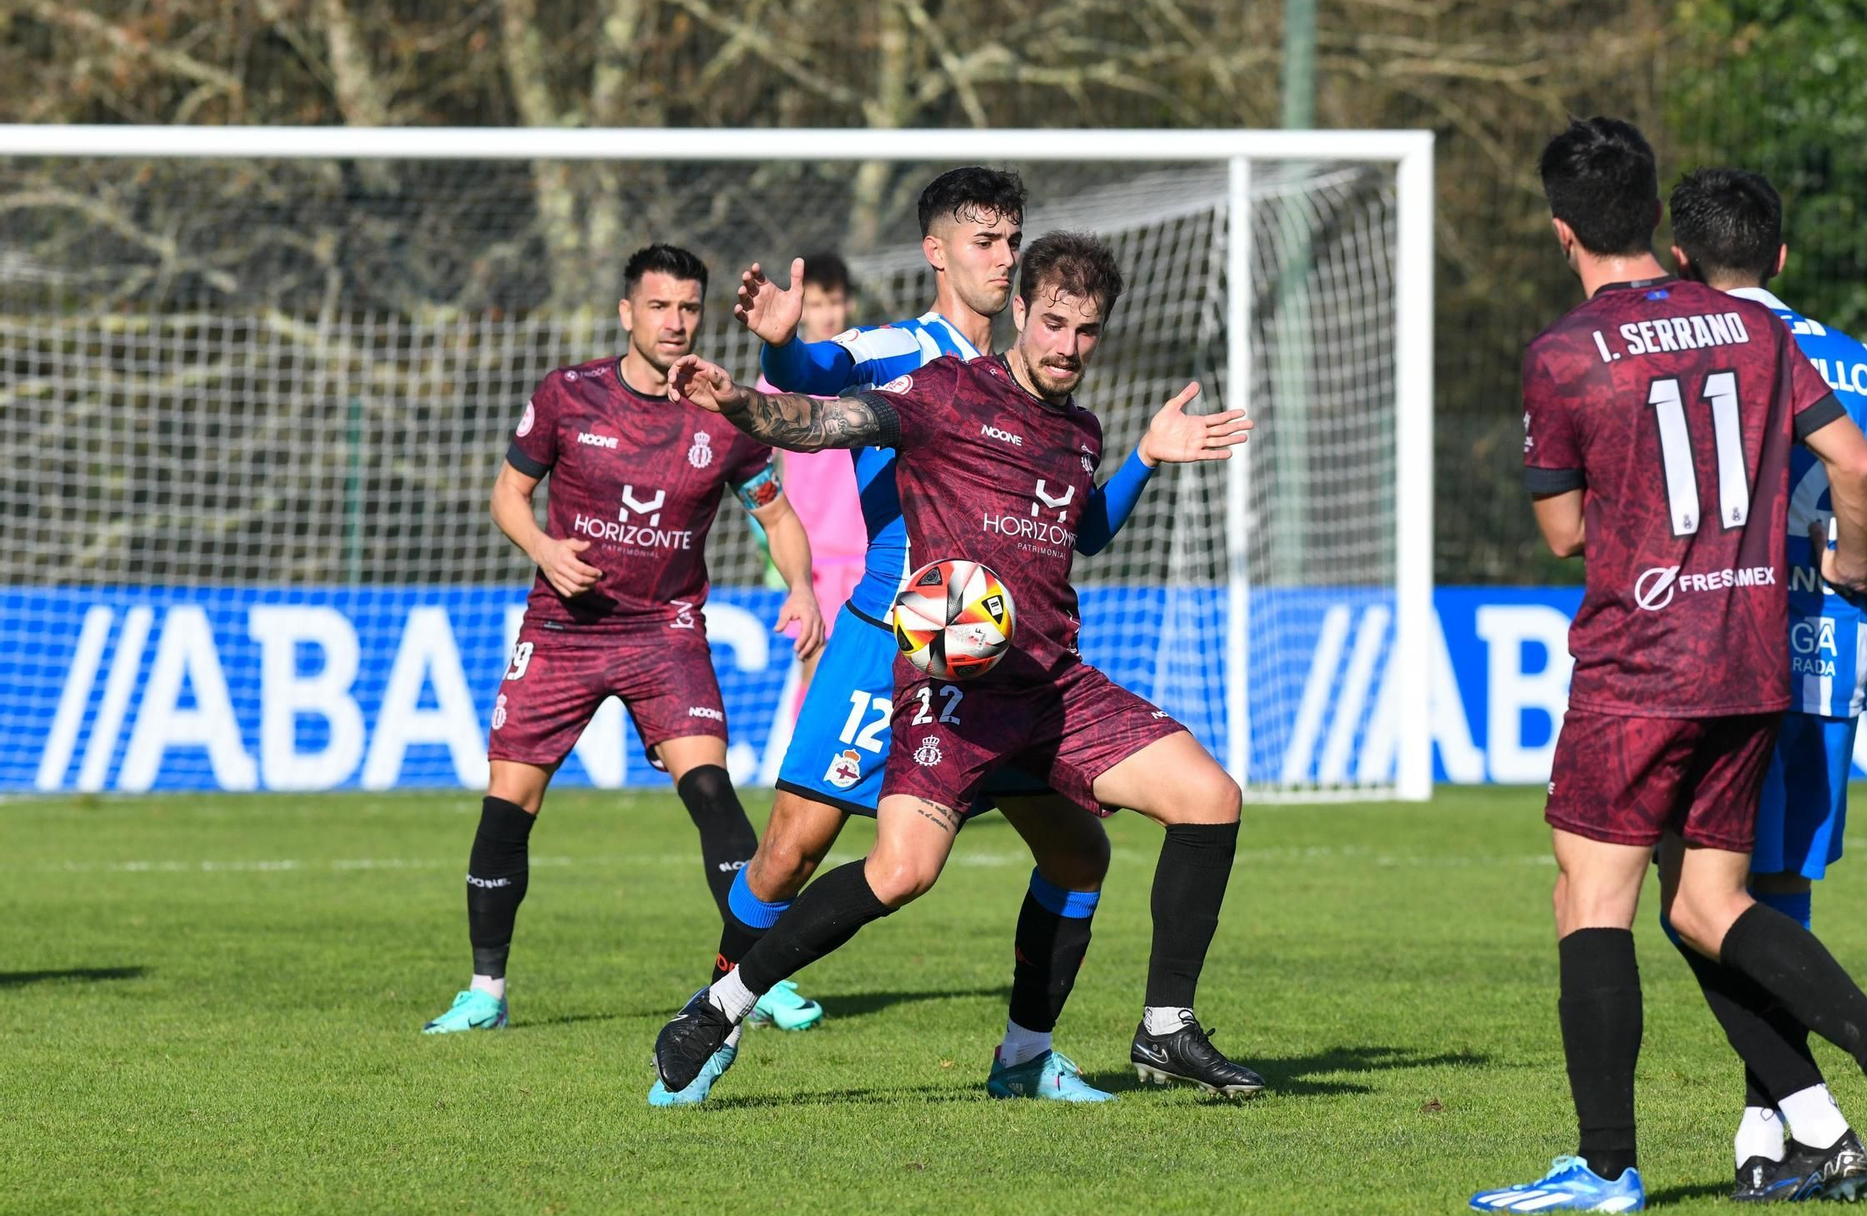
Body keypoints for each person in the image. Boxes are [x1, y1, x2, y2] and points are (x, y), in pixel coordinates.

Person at [1468, 119, 1867, 1215]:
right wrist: (1843, 567)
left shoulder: (1561, 352)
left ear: (1561, 232)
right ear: (1655, 217)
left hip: (1638, 660)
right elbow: (1850, 462)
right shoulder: (1751, 328)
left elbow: (1559, 531)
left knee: (1587, 895)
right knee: (1705, 903)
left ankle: (1602, 1169)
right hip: (1751, 656)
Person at [653, 231, 1266, 1101]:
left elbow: (1083, 529)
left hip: (1052, 683)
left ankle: (1148, 1031)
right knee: (901, 870)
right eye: (1052, 322)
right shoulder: (945, 392)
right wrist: (740, 404)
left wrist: (1146, 457)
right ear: (1019, 310)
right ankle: (721, 1005)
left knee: (1201, 802)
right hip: (953, 683)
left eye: (1086, 331)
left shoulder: (1079, 433)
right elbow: (826, 421)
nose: (1066, 346)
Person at [422, 243, 826, 1036]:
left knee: (712, 791)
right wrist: (544, 550)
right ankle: (485, 991)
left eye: (687, 308)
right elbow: (509, 494)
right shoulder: (569, 395)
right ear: (626, 314)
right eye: (658, 306)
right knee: (511, 802)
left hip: (665, 630)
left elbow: (775, 514)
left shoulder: (725, 411)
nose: (675, 323)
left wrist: (803, 588)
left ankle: (758, 977)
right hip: (564, 627)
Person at [1665, 166, 1867, 1201]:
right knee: (1773, 891)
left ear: (1676, 259)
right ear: (1782, 256)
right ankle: (1773, 1130)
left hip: (1714, 644)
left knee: (1693, 892)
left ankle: (1816, 1113)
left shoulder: (1685, 353)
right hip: (1826, 656)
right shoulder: (1845, 356)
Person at [763, 252, 867, 698]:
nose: (829, 314)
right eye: (819, 303)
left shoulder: (869, 372)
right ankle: (801, 767)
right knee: (818, 676)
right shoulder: (774, 384)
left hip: (872, 555)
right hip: (814, 561)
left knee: (873, 681)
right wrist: (767, 541)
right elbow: (754, 471)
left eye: (836, 302)